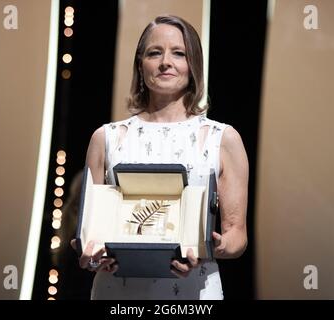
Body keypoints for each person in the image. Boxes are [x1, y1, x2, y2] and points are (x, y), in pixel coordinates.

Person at [71, 14, 249, 300]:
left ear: (193, 65)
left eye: (179, 53)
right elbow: (90, 231)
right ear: (141, 65)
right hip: (117, 292)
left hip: (194, 292)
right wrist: (91, 256)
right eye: (155, 52)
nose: (166, 62)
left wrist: (208, 248)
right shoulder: (105, 138)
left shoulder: (223, 138)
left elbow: (237, 235)